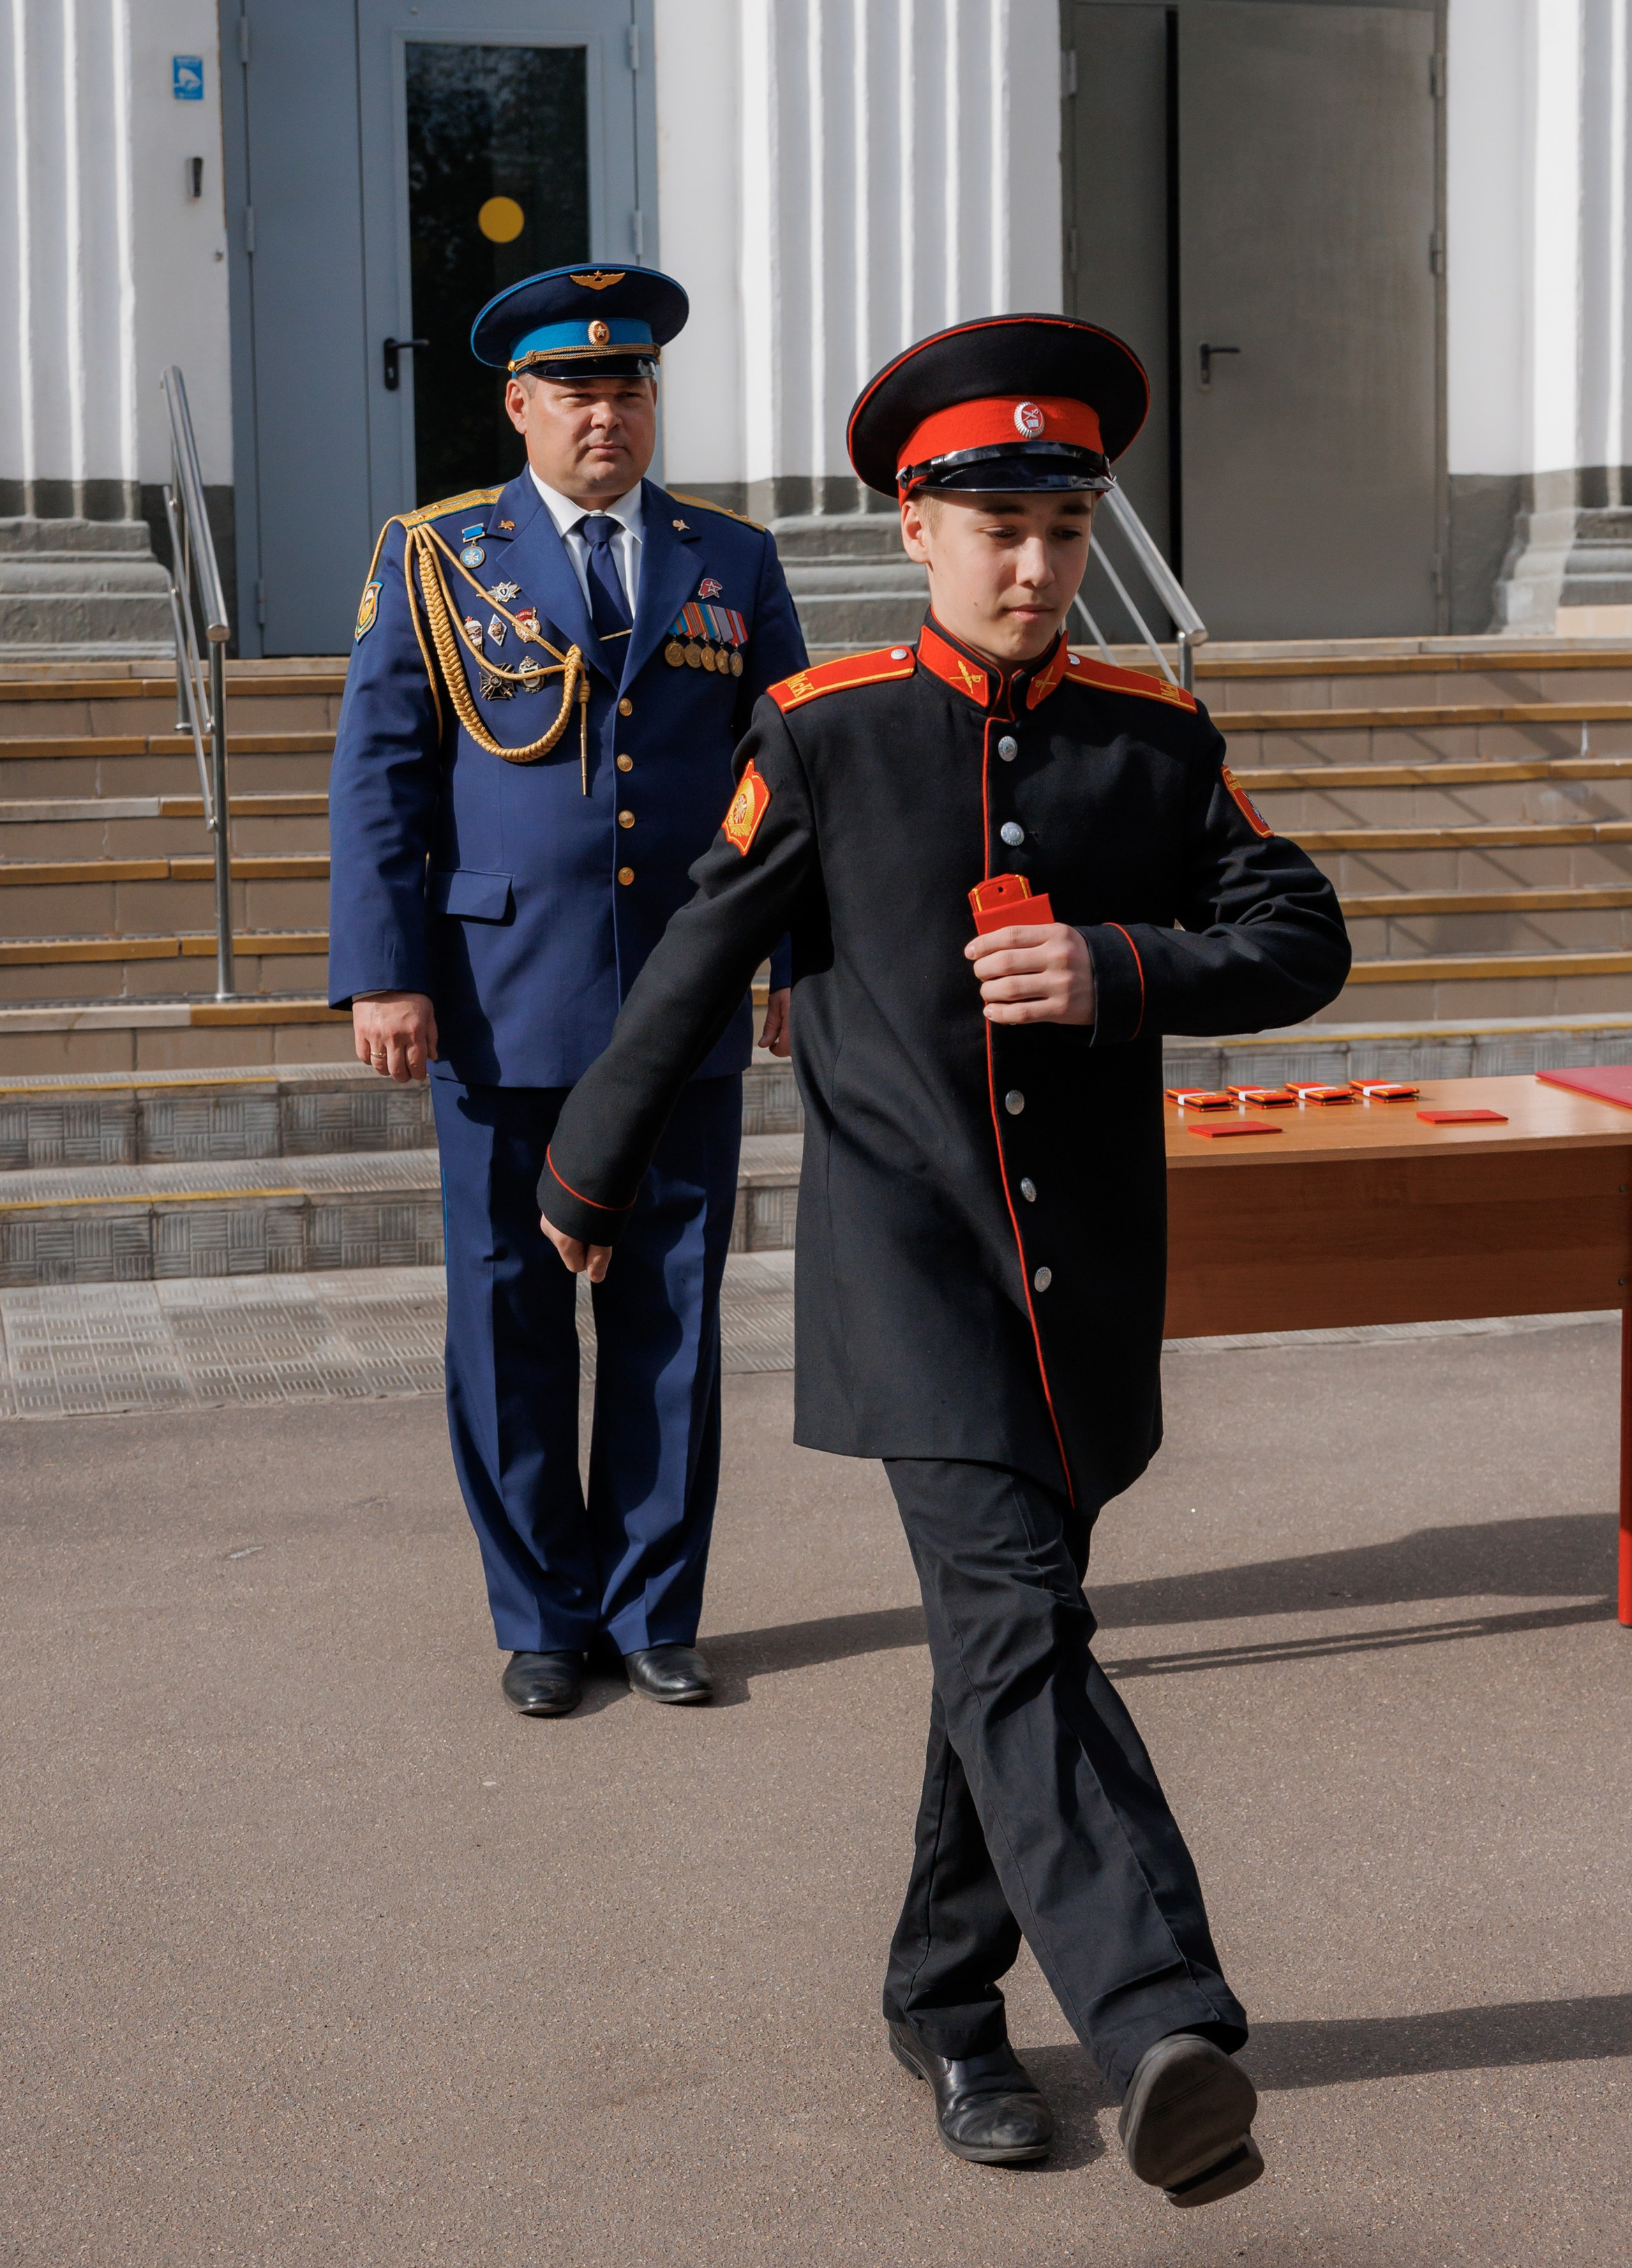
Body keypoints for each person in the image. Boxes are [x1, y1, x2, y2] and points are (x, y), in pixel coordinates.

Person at [536, 314, 1349, 2206]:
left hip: (1088, 1306)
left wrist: (1124, 962)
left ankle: (938, 1993)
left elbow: (1299, 932)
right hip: (910, 1281)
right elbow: (696, 957)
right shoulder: (824, 737)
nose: (1034, 565)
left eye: (1064, 527)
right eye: (993, 527)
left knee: (1010, 1655)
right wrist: (583, 1167)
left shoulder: (1156, 744)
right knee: (1016, 1634)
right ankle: (1161, 2024)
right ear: (914, 534)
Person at [328, 262, 808, 1719]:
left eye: (630, 386)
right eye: (579, 389)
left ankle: (655, 1609)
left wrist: (785, 952)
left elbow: (788, 775)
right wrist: (384, 972)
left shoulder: (730, 556)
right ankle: (541, 1616)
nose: (608, 412)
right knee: (509, 1311)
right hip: (497, 992)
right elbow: (380, 775)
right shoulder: (436, 553)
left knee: (670, 1318)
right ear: (519, 404)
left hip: (682, 997)